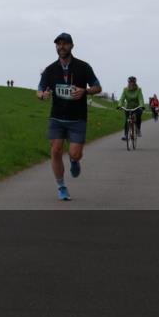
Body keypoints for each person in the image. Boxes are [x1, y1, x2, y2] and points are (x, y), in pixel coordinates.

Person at [37, 32, 102, 201]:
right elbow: (40, 89)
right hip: (57, 118)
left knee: (75, 153)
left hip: (77, 118)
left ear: (72, 46)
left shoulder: (83, 67)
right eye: (58, 44)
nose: (61, 47)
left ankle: (74, 160)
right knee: (56, 150)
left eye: (65, 44)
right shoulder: (50, 70)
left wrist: (85, 91)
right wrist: (43, 95)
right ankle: (61, 187)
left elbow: (98, 87)